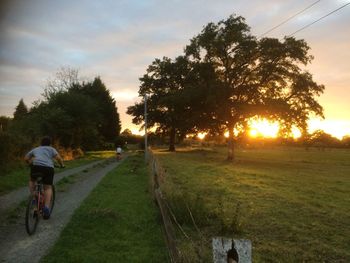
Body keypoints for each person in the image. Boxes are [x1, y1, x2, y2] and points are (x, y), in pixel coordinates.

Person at [24, 136, 64, 219]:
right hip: (48, 169)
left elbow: (26, 158)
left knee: (32, 180)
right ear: (50, 144)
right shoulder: (51, 149)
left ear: (41, 143)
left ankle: (34, 195)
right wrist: (62, 165)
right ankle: (46, 207)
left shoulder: (36, 149)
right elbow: (58, 158)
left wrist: (30, 163)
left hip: (36, 167)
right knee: (47, 187)